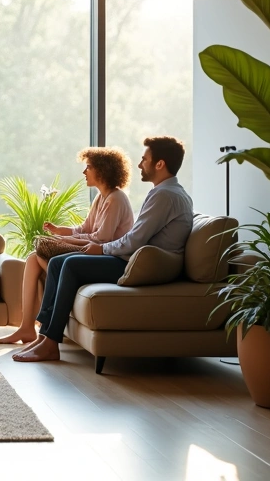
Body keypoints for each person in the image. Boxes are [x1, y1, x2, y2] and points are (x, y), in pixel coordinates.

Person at [14, 136, 194, 363]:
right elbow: (133, 238)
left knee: (70, 264)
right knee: (60, 262)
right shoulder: (167, 193)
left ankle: (50, 343)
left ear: (160, 164)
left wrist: (101, 249)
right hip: (138, 260)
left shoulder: (165, 196)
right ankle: (46, 336)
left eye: (144, 159)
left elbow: (134, 241)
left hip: (142, 267)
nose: (140, 164)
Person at [0, 147, 135, 345]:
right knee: (32, 259)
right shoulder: (101, 197)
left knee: (45, 260)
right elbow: (85, 228)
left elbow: (101, 238)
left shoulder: (116, 199)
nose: (84, 172)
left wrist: (65, 241)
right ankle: (26, 327)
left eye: (88, 167)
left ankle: (43, 329)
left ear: (102, 170)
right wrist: (61, 231)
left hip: (107, 257)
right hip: (93, 251)